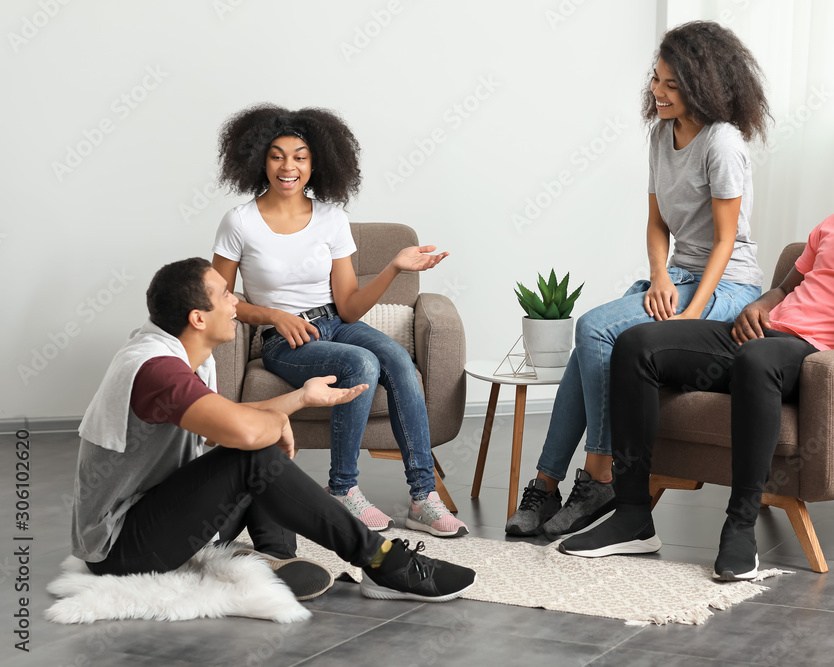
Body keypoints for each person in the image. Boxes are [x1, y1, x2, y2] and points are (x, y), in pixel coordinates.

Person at [557, 146, 834, 581]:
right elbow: (789, 285)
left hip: (813, 359)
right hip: (758, 336)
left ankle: (739, 527)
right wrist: (762, 303)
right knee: (636, 343)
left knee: (758, 357)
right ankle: (633, 517)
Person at [71, 258, 476, 603]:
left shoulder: (178, 353)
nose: (237, 303)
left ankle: (275, 558)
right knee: (254, 454)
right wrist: (271, 426)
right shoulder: (157, 370)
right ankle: (383, 562)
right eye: (226, 296)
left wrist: (300, 398)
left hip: (164, 519)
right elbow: (242, 435)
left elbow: (224, 419)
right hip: (121, 547)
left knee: (254, 452)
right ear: (198, 318)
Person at [506, 21, 770, 538]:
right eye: (656, 80)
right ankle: (546, 482)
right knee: (591, 346)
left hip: (728, 284)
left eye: (672, 84)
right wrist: (658, 278)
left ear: (705, 84)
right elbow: (656, 222)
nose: (657, 92)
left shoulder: (723, 144)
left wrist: (691, 318)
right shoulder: (659, 135)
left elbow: (725, 240)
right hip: (678, 274)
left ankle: (601, 473)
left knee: (594, 328)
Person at [212, 104, 466, 537]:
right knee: (360, 364)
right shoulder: (240, 222)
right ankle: (343, 490)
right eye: (277, 155)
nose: (288, 166)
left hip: (335, 322)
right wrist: (273, 314)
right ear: (260, 160)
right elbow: (217, 298)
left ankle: (423, 498)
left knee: (400, 363)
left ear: (316, 164)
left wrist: (394, 267)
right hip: (282, 339)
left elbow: (348, 307)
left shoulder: (331, 217)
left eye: (300, 156)